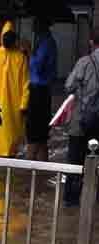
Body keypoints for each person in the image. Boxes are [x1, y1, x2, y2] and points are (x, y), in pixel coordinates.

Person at [0, 22, 30, 158]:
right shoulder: (20, 57)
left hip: (5, 107)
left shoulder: (19, 57)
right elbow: (26, 84)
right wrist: (23, 106)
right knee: (5, 140)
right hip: (6, 107)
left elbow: (25, 84)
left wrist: (23, 106)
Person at [63, 29, 99, 206]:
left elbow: (68, 86)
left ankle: (72, 202)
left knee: (75, 164)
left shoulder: (85, 62)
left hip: (81, 122)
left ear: (92, 42)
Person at [26, 17, 58, 162]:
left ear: (41, 24)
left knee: (34, 136)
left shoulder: (45, 43)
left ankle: (29, 171)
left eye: (36, 21)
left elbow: (37, 67)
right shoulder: (44, 41)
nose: (33, 24)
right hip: (42, 91)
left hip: (39, 91)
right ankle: (41, 175)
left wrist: (28, 52)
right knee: (41, 138)